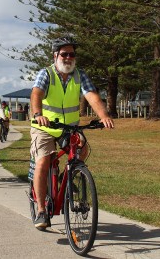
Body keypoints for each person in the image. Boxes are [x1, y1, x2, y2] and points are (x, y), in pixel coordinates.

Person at [30, 35, 114, 231]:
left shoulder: (79, 74)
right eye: (64, 54)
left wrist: (103, 115)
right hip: (45, 127)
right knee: (43, 160)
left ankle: (66, 176)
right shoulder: (46, 74)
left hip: (69, 128)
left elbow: (91, 95)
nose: (68, 58)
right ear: (55, 56)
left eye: (72, 54)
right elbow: (36, 94)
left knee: (82, 150)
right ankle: (41, 209)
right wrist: (37, 114)